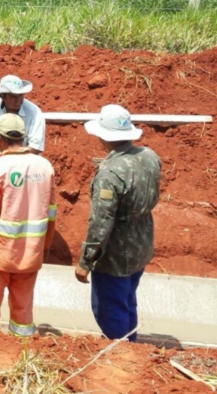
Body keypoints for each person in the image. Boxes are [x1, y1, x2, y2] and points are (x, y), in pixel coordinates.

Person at [0, 113, 57, 338]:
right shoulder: (44, 167)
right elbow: (51, 213)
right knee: (23, 311)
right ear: (22, 137)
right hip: (30, 256)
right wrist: (45, 247)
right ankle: (22, 355)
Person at [75, 104, 160, 342]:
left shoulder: (110, 174)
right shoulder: (149, 156)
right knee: (127, 301)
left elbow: (101, 223)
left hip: (116, 255)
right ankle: (131, 347)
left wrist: (86, 260)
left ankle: (121, 358)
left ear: (103, 135)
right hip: (141, 245)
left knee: (111, 310)